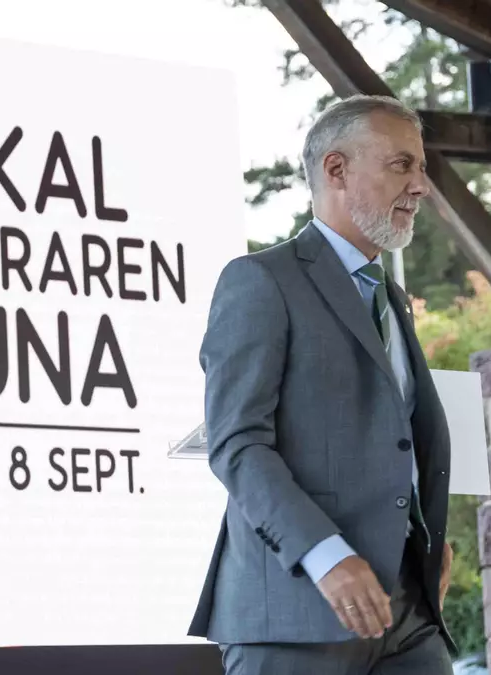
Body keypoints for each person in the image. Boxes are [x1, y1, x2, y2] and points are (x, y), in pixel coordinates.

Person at [187, 94, 456, 674]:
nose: (421, 186)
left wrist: (424, 535)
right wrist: (326, 555)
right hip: (295, 616)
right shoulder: (260, 281)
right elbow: (238, 444)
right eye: (402, 165)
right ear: (336, 169)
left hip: (408, 611)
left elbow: (395, 435)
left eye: (421, 167)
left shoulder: (392, 298)